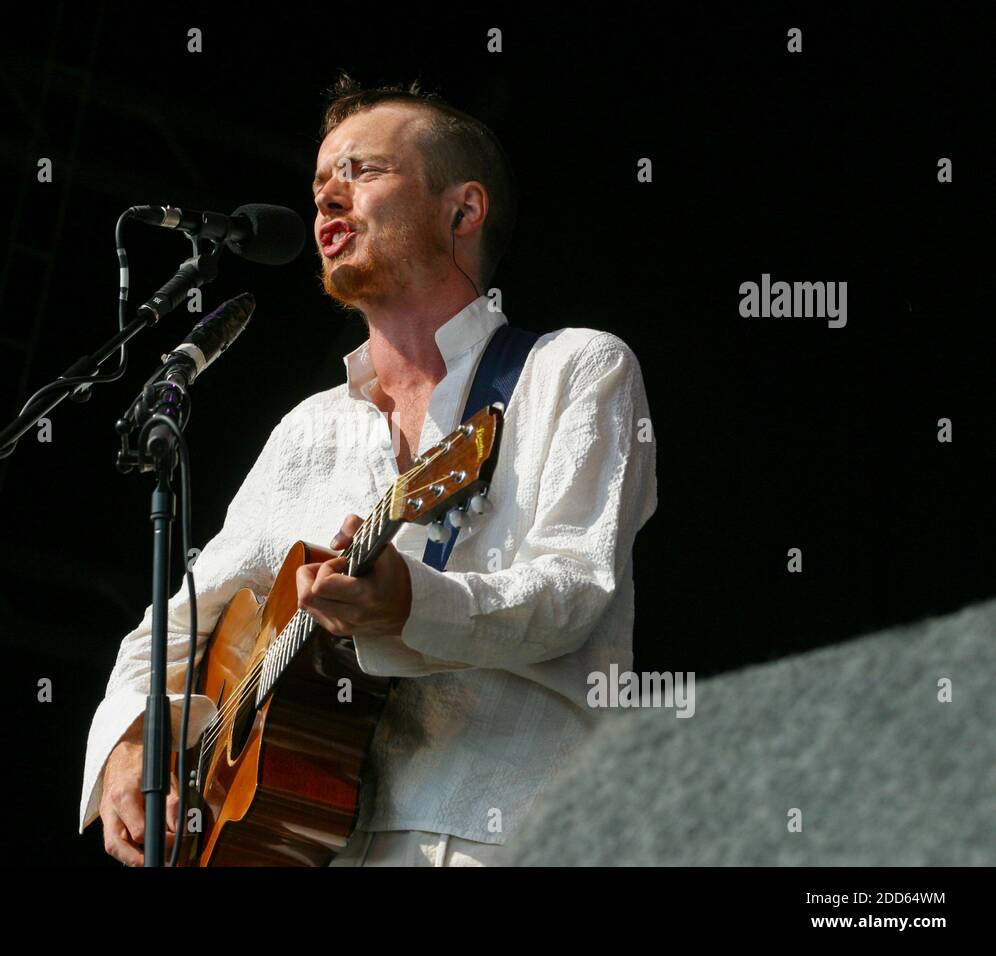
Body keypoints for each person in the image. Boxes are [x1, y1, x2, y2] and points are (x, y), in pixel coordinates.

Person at [79, 74, 658, 866]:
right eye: (320, 183)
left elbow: (571, 592)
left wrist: (407, 602)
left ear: (463, 210)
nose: (326, 200)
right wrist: (128, 746)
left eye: (362, 171)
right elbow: (174, 623)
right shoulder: (309, 430)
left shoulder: (573, 369)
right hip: (311, 840)